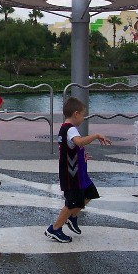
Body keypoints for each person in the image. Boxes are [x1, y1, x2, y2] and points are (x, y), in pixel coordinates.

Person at [45, 96, 111, 243]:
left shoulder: (66, 129)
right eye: (82, 115)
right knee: (71, 203)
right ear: (76, 114)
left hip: (78, 172)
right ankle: (55, 228)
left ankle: (72, 217)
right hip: (71, 174)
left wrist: (82, 155)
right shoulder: (70, 129)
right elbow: (79, 142)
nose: (83, 118)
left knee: (89, 193)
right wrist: (95, 135)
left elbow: (73, 148)